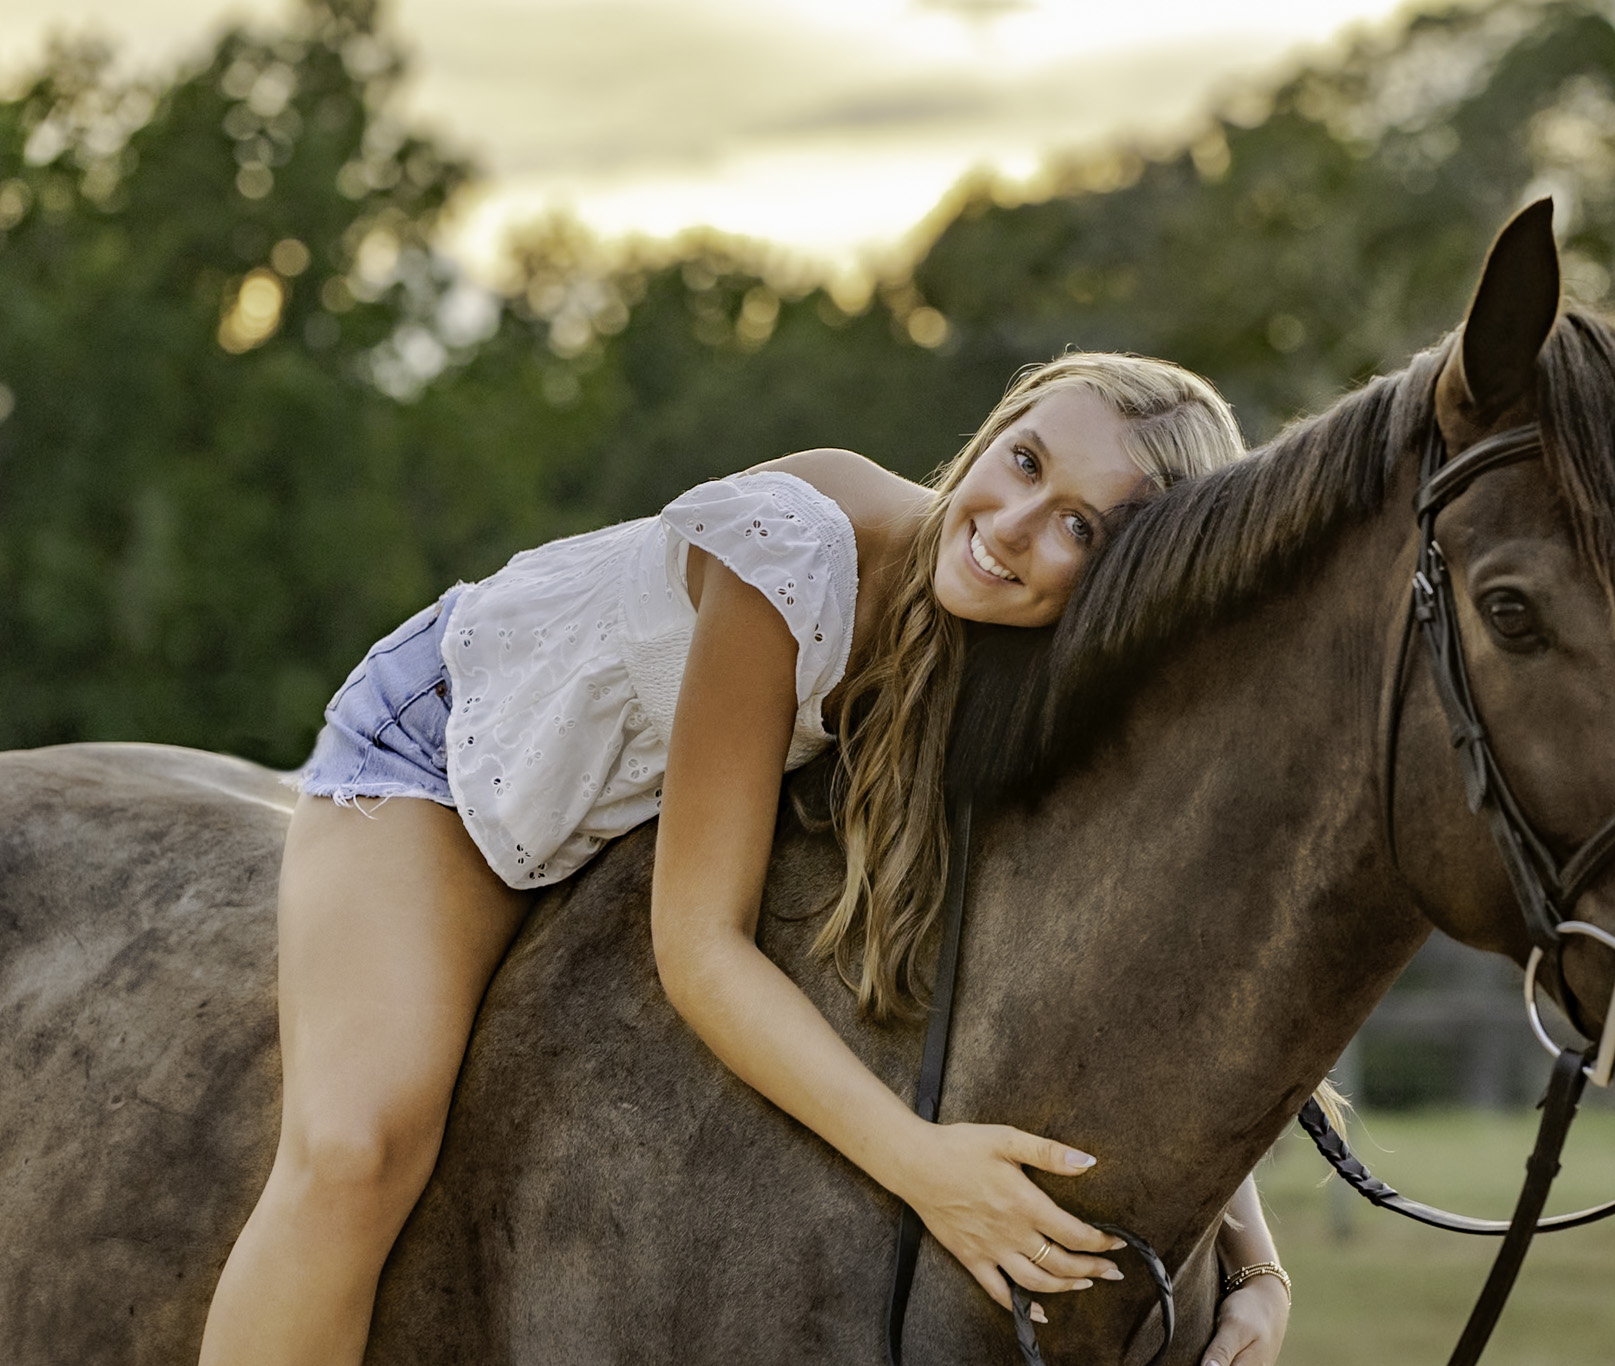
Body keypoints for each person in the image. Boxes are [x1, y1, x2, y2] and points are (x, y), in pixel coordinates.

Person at [197, 352, 1295, 1366]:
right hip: (453, 750)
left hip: (641, 799)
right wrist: (926, 1171)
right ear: (996, 430)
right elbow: (697, 945)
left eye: (1082, 529)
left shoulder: (1033, 666)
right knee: (355, 1151)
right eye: (1023, 461)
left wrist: (1253, 1259)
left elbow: (1106, 959)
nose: (1010, 526)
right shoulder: (799, 547)